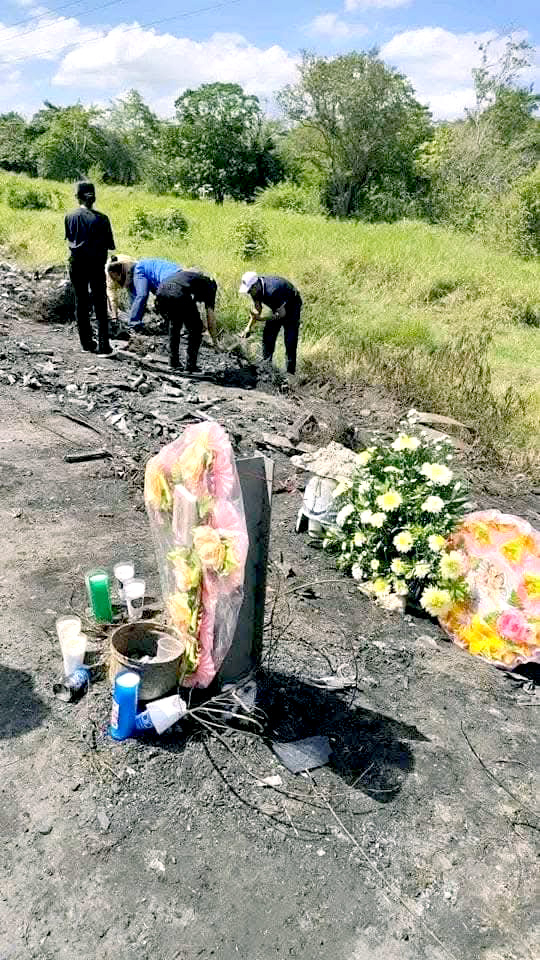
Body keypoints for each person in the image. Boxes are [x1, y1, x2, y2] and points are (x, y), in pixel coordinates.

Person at [65, 181, 115, 354]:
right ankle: (104, 345)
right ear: (94, 198)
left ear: (77, 196)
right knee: (100, 302)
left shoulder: (69, 217)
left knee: (81, 301)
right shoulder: (102, 219)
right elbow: (109, 245)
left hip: (76, 263)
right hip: (96, 265)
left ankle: (86, 343)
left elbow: (70, 239)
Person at [154, 269, 220, 372]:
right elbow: (210, 319)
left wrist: (199, 322)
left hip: (161, 291)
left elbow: (190, 308)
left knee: (175, 323)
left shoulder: (191, 279)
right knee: (196, 329)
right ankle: (190, 366)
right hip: (178, 293)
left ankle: (173, 362)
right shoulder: (210, 287)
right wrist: (215, 343)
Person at [239, 272, 302, 374]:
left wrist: (262, 319)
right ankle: (267, 366)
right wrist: (248, 328)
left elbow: (282, 314)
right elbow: (257, 310)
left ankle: (290, 374)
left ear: (255, 285)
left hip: (292, 306)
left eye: (250, 290)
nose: (249, 293)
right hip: (278, 306)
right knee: (268, 334)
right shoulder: (255, 290)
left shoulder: (272, 290)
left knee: (290, 340)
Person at [121, 258, 184, 330]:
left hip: (170, 279)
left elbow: (142, 295)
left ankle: (133, 324)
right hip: (180, 275)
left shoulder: (139, 270)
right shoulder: (148, 267)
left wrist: (133, 322)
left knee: (164, 301)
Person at [105, 254, 137, 321]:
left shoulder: (131, 266)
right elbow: (113, 298)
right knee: (110, 297)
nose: (116, 279)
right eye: (114, 277)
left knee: (134, 296)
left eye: (117, 276)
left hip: (132, 272)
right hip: (125, 273)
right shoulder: (110, 280)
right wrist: (114, 316)